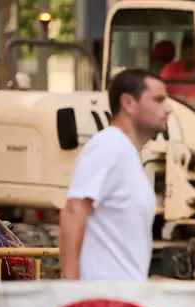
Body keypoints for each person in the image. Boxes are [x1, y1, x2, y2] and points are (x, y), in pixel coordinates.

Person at [59, 68, 172, 281]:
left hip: (121, 299)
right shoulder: (108, 146)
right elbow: (73, 211)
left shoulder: (125, 152)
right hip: (103, 299)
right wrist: (71, 291)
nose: (168, 109)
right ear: (128, 103)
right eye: (158, 100)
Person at [160, 33, 195, 110]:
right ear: (183, 51)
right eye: (191, 53)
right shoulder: (169, 70)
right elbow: (160, 95)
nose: (194, 57)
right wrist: (179, 99)